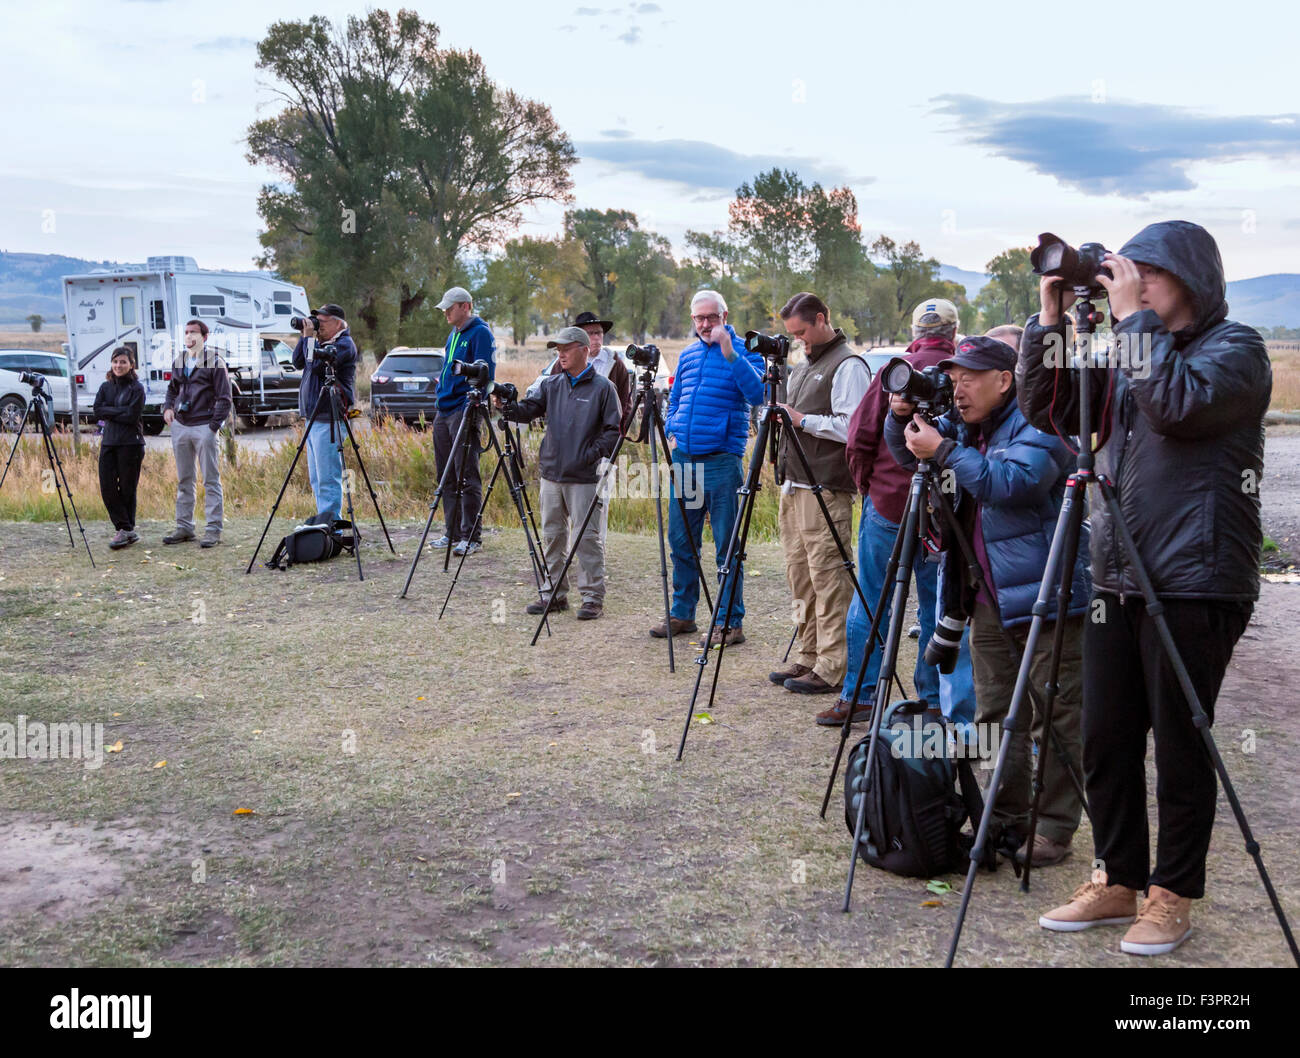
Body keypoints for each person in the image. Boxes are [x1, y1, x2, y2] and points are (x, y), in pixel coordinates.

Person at [1024, 221, 1271, 956]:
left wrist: (1131, 321)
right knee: (1106, 737)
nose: (1130, 285)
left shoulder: (1238, 351)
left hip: (1196, 579)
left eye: (1146, 276)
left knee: (1181, 746)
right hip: (1118, 576)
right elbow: (1052, 411)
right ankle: (1118, 879)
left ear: (1190, 280)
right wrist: (1049, 320)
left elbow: (1177, 406)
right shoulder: (1134, 349)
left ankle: (1172, 895)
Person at [886, 335, 1090, 867]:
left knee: (1057, 714)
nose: (958, 389)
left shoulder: (1040, 423)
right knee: (996, 716)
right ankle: (1004, 821)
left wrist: (946, 450)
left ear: (1004, 380)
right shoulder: (968, 429)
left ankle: (1052, 829)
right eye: (953, 379)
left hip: (1047, 596)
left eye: (969, 378)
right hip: (985, 598)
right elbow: (909, 456)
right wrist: (901, 420)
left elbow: (1011, 483)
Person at [829, 299, 977, 726]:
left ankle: (860, 693)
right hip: (946, 513)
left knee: (872, 600)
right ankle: (932, 698)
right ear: (954, 331)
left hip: (888, 503)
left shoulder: (896, 372)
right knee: (937, 605)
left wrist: (868, 486)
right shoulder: (960, 373)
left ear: (914, 330)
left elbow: (858, 437)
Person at [767, 292, 871, 697]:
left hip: (826, 486)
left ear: (822, 319)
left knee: (828, 576)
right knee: (799, 576)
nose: (800, 342)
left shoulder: (848, 365)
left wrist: (803, 420)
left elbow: (853, 429)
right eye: (793, 336)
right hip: (794, 484)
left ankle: (833, 665)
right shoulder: (802, 367)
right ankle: (808, 652)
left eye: (803, 333)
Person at [652, 290, 764, 646]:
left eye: (710, 318)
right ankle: (683, 613)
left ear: (724, 316)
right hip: (685, 460)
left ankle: (731, 622)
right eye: (698, 318)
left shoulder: (745, 351)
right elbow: (676, 398)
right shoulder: (686, 355)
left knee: (726, 547)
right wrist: (671, 431)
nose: (704, 324)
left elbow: (758, 394)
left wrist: (730, 353)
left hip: (721, 462)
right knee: (681, 540)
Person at [497, 326, 622, 620]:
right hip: (552, 474)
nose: (561, 355)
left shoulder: (603, 388)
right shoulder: (552, 385)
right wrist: (507, 406)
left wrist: (588, 456)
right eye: (558, 350)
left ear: (583, 350)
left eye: (566, 349)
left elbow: (613, 432)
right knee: (553, 535)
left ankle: (592, 597)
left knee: (586, 537)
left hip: (584, 478)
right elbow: (528, 410)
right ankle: (553, 593)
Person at [432, 286, 497, 557]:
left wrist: (474, 406)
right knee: (446, 474)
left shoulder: (480, 332)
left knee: (466, 474)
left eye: (451, 307)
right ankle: (452, 532)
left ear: (465, 306)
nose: (446, 312)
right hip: (443, 410)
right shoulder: (453, 334)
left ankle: (471, 536)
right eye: (445, 307)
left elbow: (485, 374)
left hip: (463, 410)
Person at [162, 319, 231, 548]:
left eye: (194, 333)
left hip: (204, 426)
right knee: (185, 479)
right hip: (181, 426)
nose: (189, 336)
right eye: (186, 332)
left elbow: (225, 398)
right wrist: (168, 408)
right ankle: (184, 527)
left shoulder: (215, 362)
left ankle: (213, 529)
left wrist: (213, 427)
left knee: (210, 480)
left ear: (205, 336)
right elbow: (172, 389)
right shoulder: (180, 360)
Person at [290, 304, 358, 523]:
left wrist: (310, 337)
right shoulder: (319, 342)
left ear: (338, 323)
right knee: (317, 478)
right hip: (313, 417)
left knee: (328, 476)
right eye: (315, 320)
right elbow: (298, 362)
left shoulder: (344, 344)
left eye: (322, 321)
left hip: (329, 418)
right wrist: (305, 335)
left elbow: (317, 366)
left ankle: (331, 524)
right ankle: (324, 520)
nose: (318, 325)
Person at [94, 347, 146, 551]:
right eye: (116, 362)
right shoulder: (105, 387)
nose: (119, 366)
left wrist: (110, 412)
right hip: (109, 442)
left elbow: (132, 416)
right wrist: (118, 411)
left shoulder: (137, 388)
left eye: (123, 362)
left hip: (131, 444)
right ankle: (126, 529)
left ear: (131, 364)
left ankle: (125, 529)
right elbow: (98, 410)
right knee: (107, 487)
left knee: (127, 488)